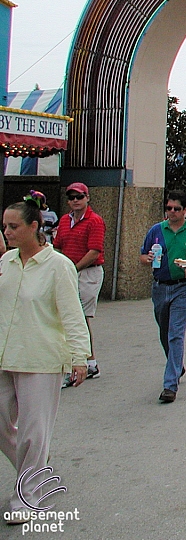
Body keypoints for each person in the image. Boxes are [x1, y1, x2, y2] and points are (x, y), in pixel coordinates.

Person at [0, 196, 90, 522]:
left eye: (14, 226)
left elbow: (72, 315)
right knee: (6, 428)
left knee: (33, 433)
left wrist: (80, 358)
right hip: (5, 355)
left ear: (34, 227)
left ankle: (27, 494)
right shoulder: (6, 263)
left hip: (41, 360)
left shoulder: (59, 266)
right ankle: (36, 467)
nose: (7, 231)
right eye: (5, 225)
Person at [140, 190, 186, 403]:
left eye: (176, 209)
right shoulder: (156, 230)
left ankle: (170, 385)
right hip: (161, 286)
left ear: (185, 210)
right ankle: (177, 365)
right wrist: (147, 258)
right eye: (169, 208)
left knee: (175, 334)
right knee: (164, 332)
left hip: (183, 287)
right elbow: (143, 256)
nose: (172, 212)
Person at [52, 182, 105, 381]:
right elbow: (58, 246)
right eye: (72, 197)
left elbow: (94, 252)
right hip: (67, 272)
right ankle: (89, 362)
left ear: (87, 198)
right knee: (70, 317)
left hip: (87, 274)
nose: (75, 200)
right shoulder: (65, 221)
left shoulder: (95, 221)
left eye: (79, 196)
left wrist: (72, 270)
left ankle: (82, 363)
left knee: (80, 317)